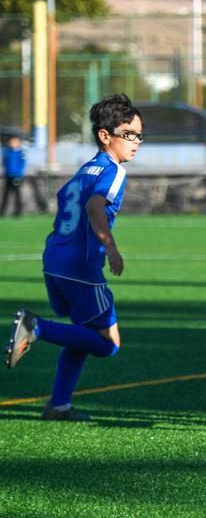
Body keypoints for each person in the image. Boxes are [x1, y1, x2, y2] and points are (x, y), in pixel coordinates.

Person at [4, 94, 143, 421]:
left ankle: (59, 404)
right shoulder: (113, 170)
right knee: (107, 344)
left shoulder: (85, 168)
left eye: (139, 135)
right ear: (105, 136)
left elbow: (67, 199)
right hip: (82, 266)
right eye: (129, 134)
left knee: (81, 335)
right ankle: (37, 327)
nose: (136, 142)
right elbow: (95, 206)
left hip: (55, 260)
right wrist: (110, 247)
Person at [1, 133, 27, 217]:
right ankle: (2, 212)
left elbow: (22, 164)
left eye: (15, 142)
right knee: (6, 194)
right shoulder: (7, 152)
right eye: (11, 142)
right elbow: (4, 163)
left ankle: (18, 212)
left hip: (17, 177)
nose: (13, 143)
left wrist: (19, 175)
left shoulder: (21, 152)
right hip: (8, 175)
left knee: (17, 194)